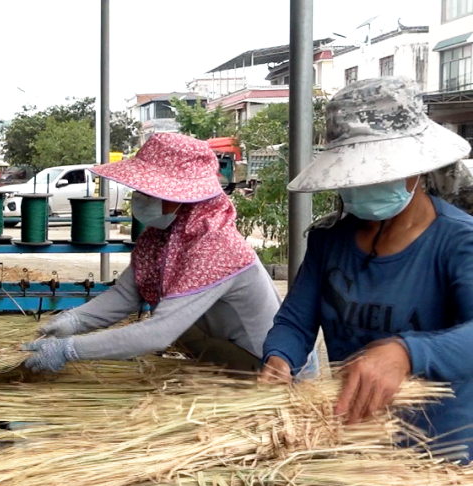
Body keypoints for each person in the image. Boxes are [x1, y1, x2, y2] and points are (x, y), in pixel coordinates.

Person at [261, 77, 473, 459]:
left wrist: (407, 352)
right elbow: (296, 321)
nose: (360, 186)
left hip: (440, 457)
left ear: (416, 169)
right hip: (354, 443)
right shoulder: (330, 240)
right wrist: (280, 357)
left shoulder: (458, 242)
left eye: (377, 171)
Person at [21, 133, 315, 376]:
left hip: (271, 373)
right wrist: (73, 321)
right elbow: (125, 296)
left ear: (181, 198)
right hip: (225, 361)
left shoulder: (215, 244)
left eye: (149, 191)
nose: (138, 198)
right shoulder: (161, 238)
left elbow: (158, 332)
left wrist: (70, 350)